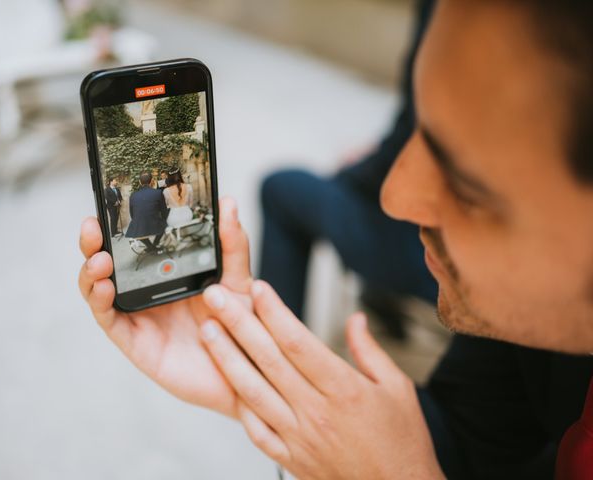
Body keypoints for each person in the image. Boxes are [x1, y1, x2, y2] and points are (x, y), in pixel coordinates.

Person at [78, 0, 593, 478]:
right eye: (425, 132)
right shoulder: (523, 324)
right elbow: (468, 444)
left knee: (286, 191)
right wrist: (272, 394)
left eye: (466, 179)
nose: (397, 195)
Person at [259, 0, 437, 339]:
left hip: (438, 260)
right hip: (513, 257)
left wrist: (352, 174)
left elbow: (419, 133)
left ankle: (273, 359)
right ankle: (384, 309)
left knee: (282, 189)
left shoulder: (457, 15)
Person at [124, 172, 167, 252]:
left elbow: (132, 214)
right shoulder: (158, 193)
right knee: (165, 223)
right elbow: (164, 212)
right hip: (155, 227)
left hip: (138, 229)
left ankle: (150, 246)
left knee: (136, 228)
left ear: (140, 182)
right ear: (152, 181)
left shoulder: (133, 195)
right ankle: (154, 245)